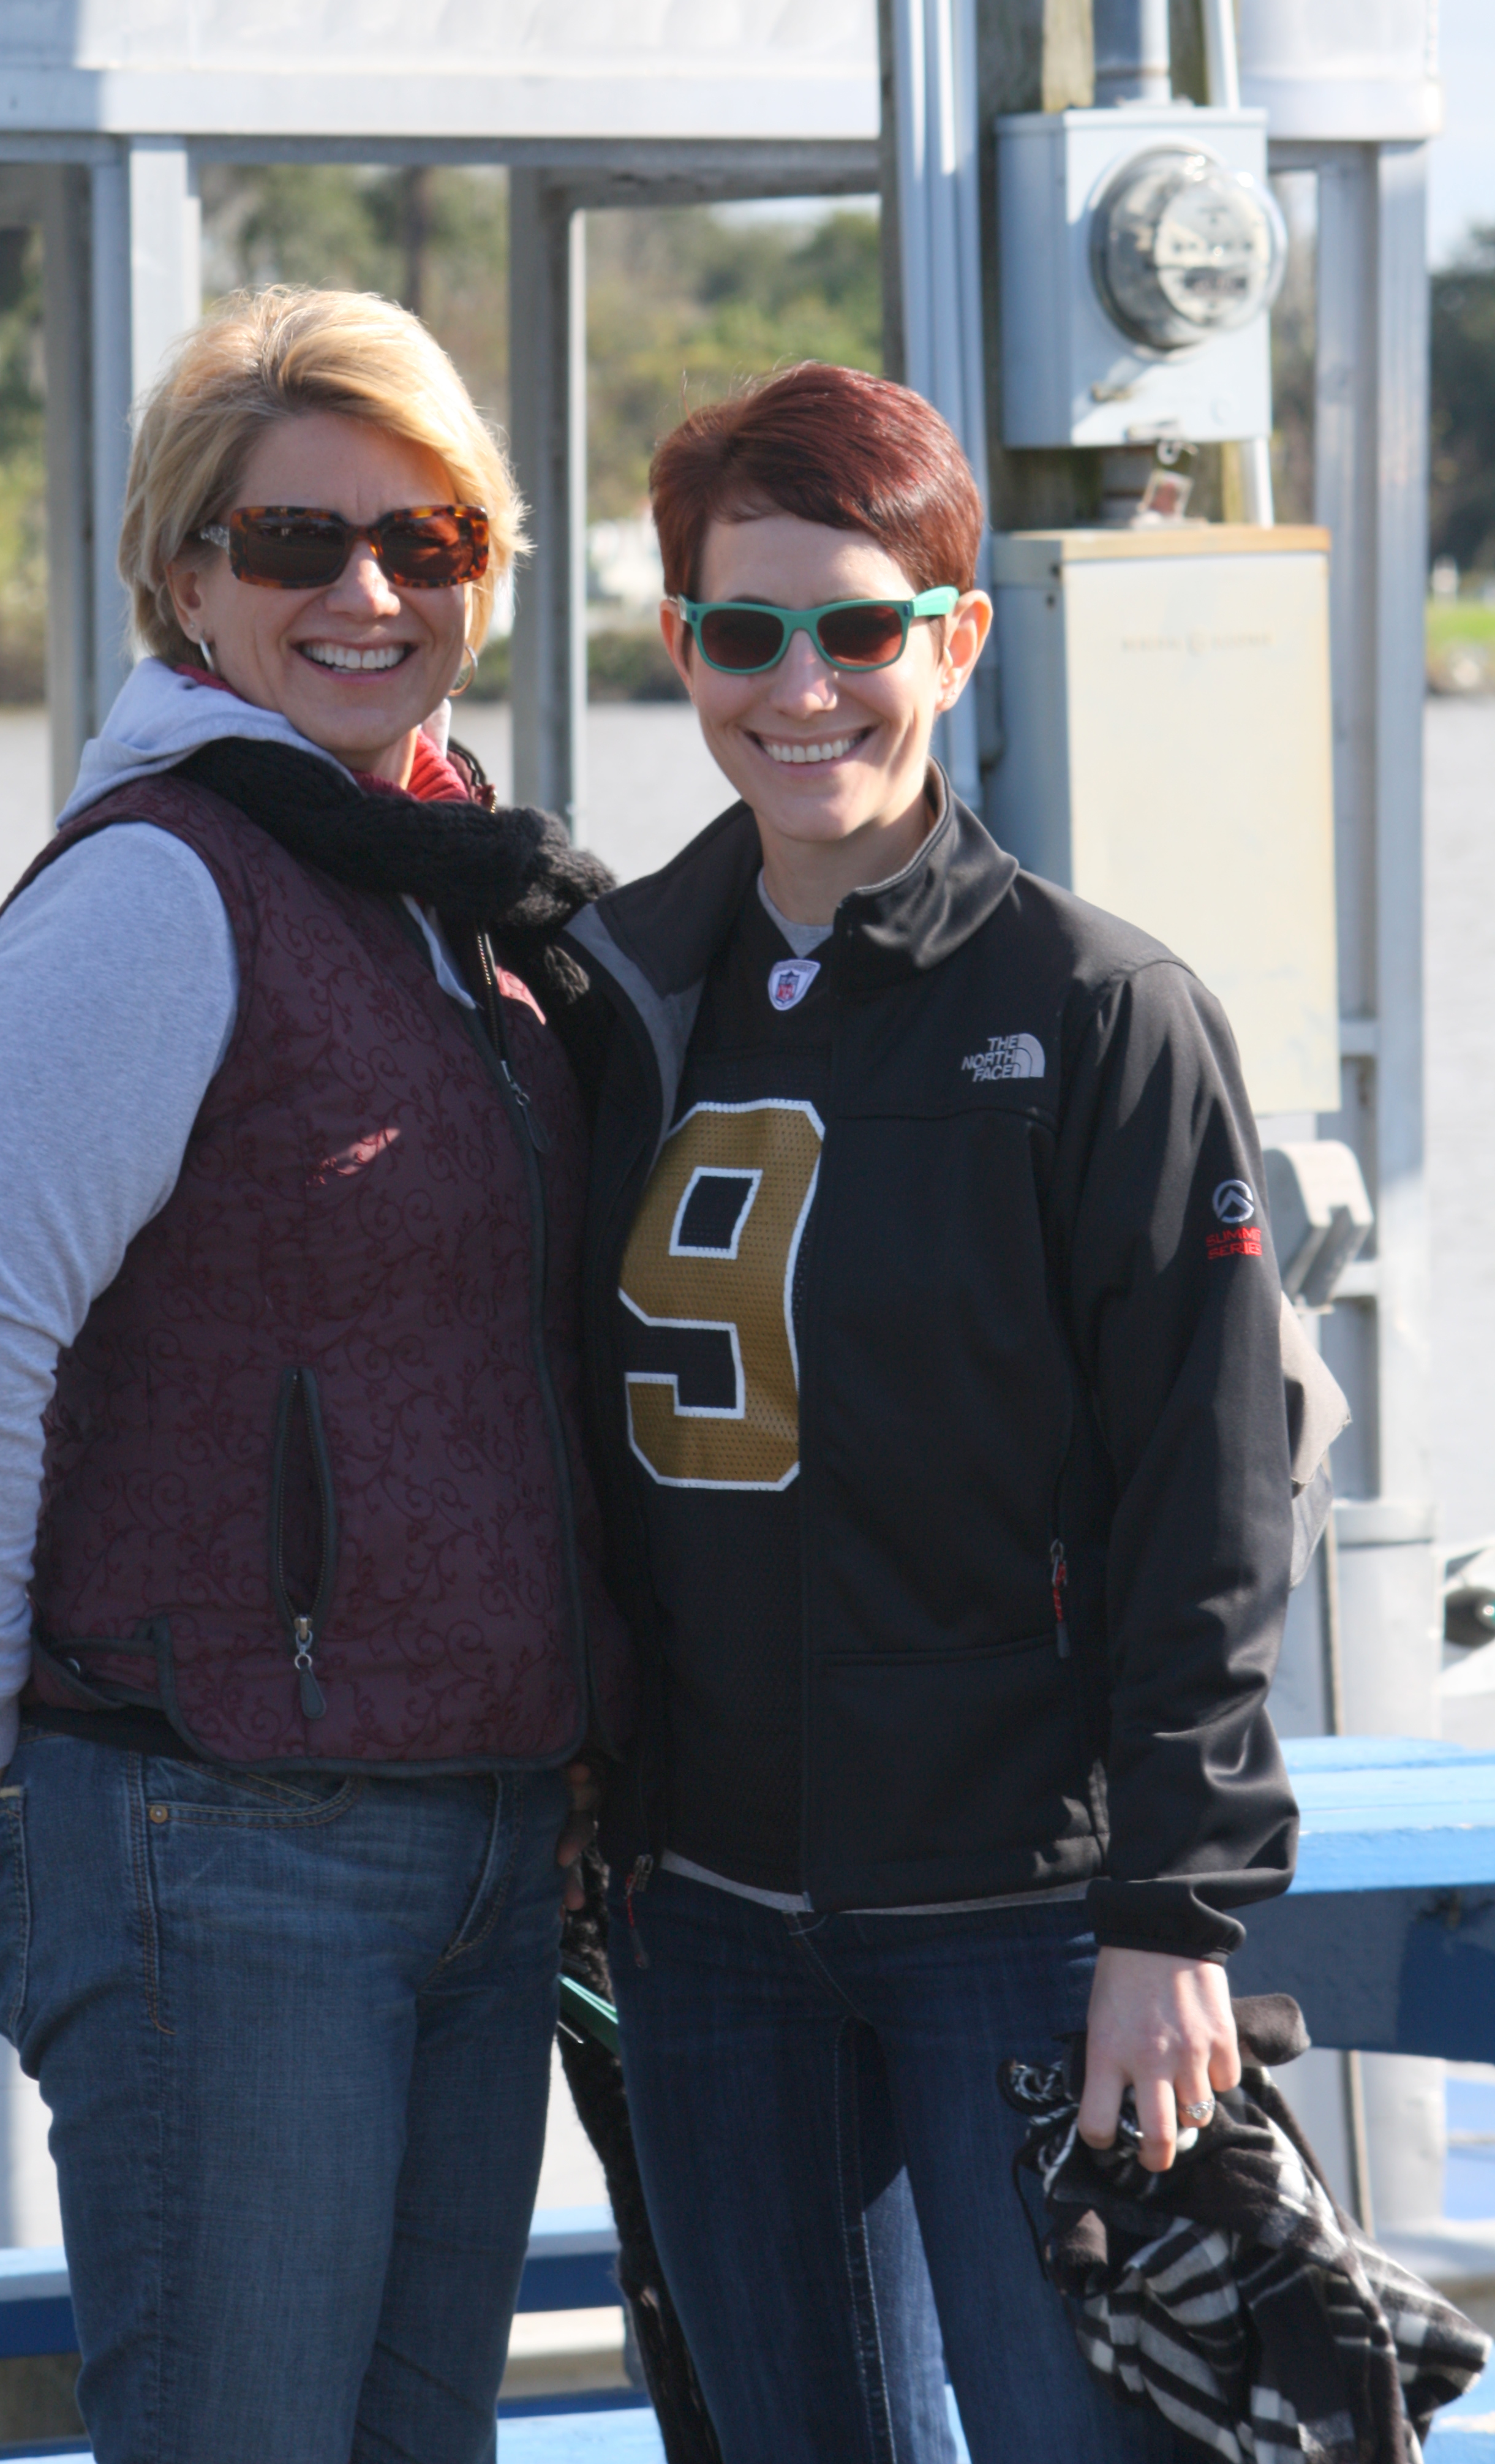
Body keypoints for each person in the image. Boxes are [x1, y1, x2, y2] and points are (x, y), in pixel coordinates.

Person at [0, 285, 632, 2464]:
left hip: (481, 1828)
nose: (368, 593)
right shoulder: (160, 890)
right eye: (297, 541)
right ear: (183, 576)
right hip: (218, 1837)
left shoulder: (459, 889)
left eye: (428, 539)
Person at [562, 363, 1317, 2464]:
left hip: (1023, 1916)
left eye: (861, 628)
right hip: (708, 1921)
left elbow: (1209, 1493)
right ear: (680, 647)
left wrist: (1171, 1914)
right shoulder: (615, 994)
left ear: (959, 638)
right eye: (745, 631)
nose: (802, 688)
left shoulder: (1098, 1013)